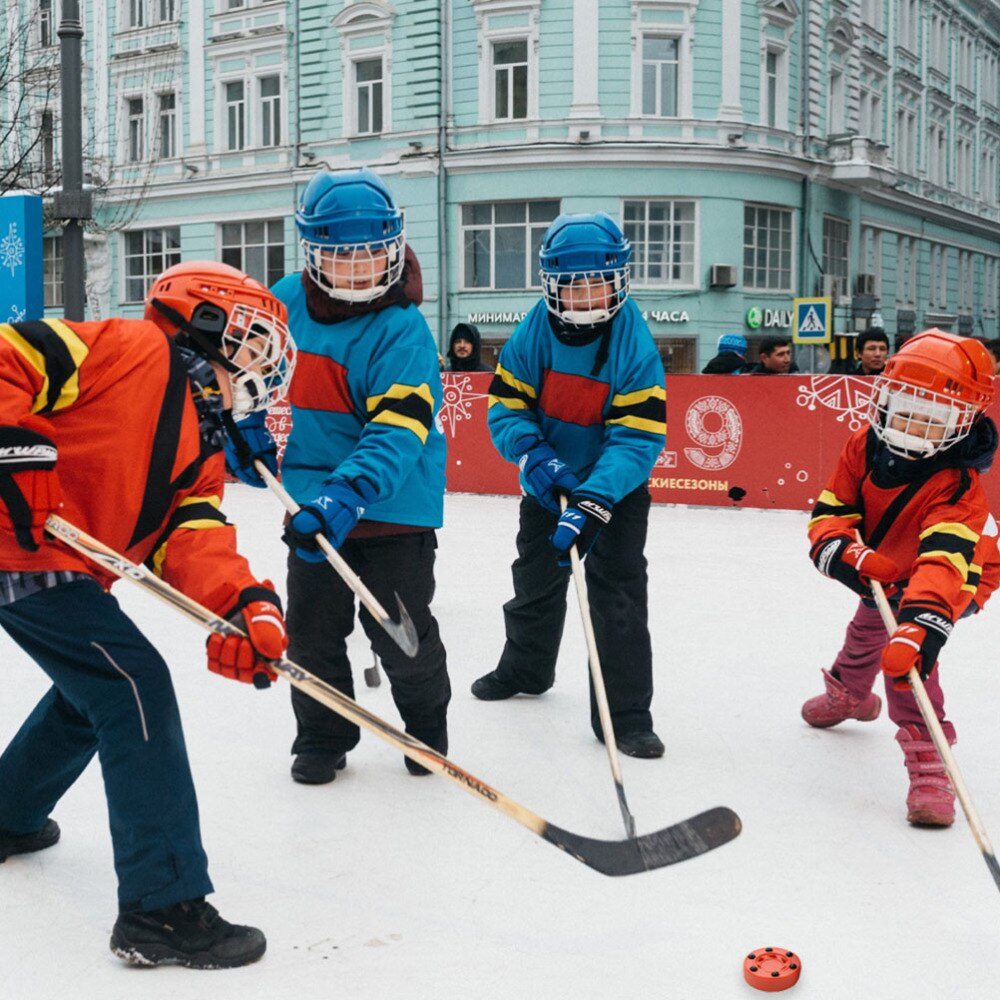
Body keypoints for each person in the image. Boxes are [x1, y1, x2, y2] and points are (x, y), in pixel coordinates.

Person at [0, 261, 297, 968]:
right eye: (255, 345)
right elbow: (8, 358)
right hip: (18, 541)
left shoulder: (201, 446)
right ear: (207, 322)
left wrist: (246, 604)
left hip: (60, 566)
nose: (261, 368)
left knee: (95, 693)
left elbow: (192, 538)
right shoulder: (127, 350)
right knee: (133, 683)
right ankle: (161, 908)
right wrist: (14, 445)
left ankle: (8, 814)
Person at [273, 167, 450, 785]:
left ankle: (426, 729)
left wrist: (349, 491)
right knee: (312, 634)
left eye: (373, 253)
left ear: (393, 247)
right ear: (312, 253)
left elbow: (399, 430)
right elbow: (240, 373)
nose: (359, 269)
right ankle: (323, 734)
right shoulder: (283, 305)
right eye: (340, 256)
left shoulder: (403, 330)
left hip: (393, 499)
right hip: (311, 499)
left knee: (400, 635)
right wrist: (234, 422)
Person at [471, 212, 667, 758]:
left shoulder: (635, 344)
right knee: (534, 580)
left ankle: (625, 716)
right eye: (572, 284)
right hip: (549, 483)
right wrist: (534, 457)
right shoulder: (533, 330)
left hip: (614, 493)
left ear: (619, 279)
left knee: (617, 596)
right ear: (551, 283)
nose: (586, 295)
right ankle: (525, 669)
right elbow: (507, 405)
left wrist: (596, 498)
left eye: (597, 282)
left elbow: (636, 438)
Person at [802, 330, 999, 827]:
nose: (913, 425)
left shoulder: (957, 485)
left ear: (962, 422)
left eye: (933, 418)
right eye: (905, 406)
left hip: (955, 575)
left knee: (908, 661)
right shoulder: (863, 445)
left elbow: (945, 559)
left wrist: (921, 622)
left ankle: (930, 761)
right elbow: (832, 509)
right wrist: (846, 549)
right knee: (869, 624)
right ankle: (850, 690)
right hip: (888, 566)